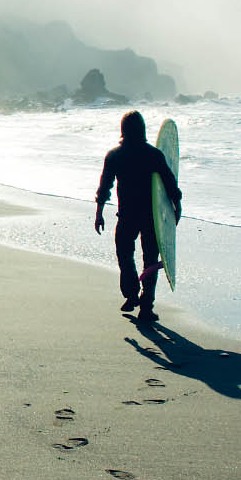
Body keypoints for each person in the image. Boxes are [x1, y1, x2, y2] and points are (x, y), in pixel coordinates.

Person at [94, 110, 181, 323]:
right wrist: (176, 208)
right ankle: (146, 307)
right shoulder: (153, 155)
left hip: (126, 216)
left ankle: (132, 295)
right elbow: (170, 184)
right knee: (149, 260)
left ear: (123, 130)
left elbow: (104, 187)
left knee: (125, 257)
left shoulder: (114, 155)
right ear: (142, 129)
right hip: (151, 218)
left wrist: (99, 213)